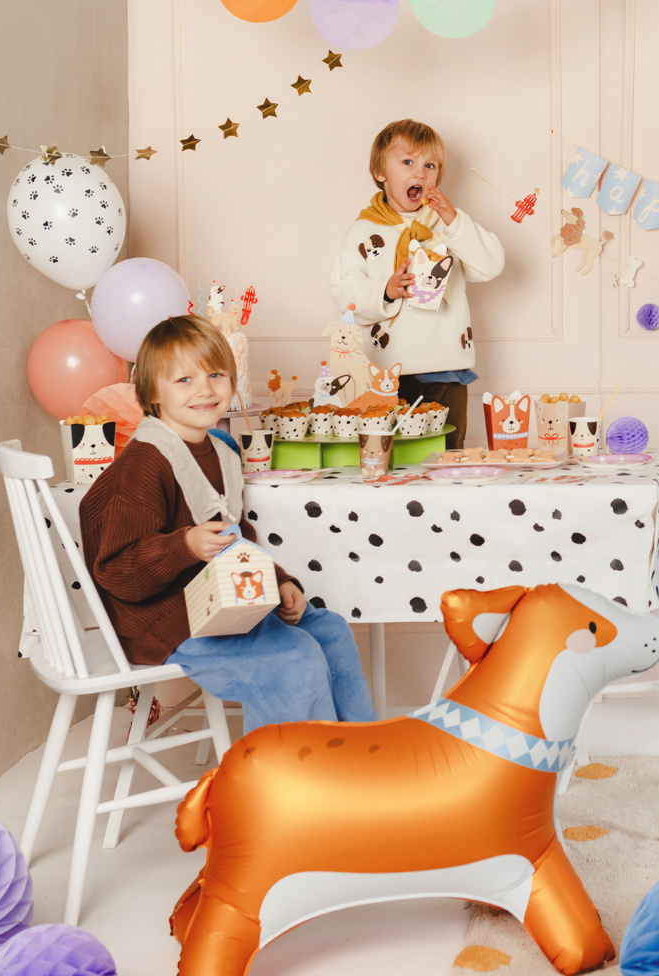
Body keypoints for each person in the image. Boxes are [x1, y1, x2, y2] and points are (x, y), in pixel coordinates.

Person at [81, 315, 374, 733]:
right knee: (294, 658)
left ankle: (359, 747)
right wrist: (184, 545)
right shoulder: (145, 462)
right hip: (167, 619)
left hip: (223, 599)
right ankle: (299, 765)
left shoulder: (220, 452)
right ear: (152, 392)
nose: (205, 389)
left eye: (216, 375)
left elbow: (237, 539)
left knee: (330, 631)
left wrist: (279, 581)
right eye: (184, 379)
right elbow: (116, 568)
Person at [329, 119, 504, 448]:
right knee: (390, 457)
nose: (420, 174)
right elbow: (343, 292)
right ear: (379, 172)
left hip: (447, 368)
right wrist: (386, 290)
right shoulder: (363, 231)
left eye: (430, 166)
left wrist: (453, 220)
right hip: (386, 372)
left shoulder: (448, 225)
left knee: (447, 457)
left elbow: (491, 265)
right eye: (407, 162)